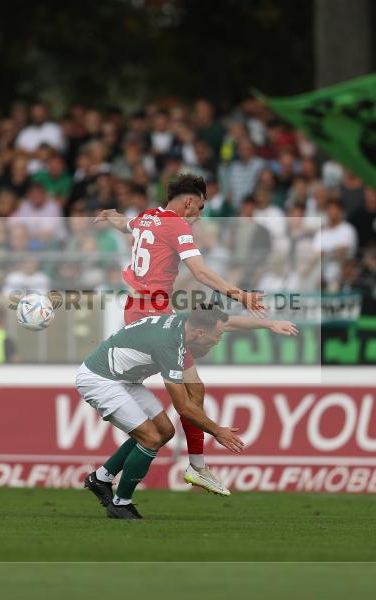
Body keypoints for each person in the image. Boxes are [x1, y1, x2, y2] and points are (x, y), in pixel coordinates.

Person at [95, 173, 296, 496]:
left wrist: (112, 217)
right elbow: (200, 272)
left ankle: (106, 476)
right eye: (199, 208)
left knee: (188, 393)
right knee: (189, 393)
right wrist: (239, 295)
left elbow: (126, 225)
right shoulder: (177, 226)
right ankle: (197, 466)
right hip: (153, 314)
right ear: (188, 202)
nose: (199, 216)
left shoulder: (148, 218)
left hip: (138, 309)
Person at [78, 305, 245, 519]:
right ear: (200, 333)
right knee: (150, 438)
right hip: (100, 380)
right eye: (218, 334)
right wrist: (217, 431)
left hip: (125, 379)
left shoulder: (185, 323)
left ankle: (100, 479)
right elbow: (183, 407)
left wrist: (268, 324)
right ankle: (121, 504)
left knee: (165, 430)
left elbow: (195, 385)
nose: (219, 339)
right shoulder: (169, 344)